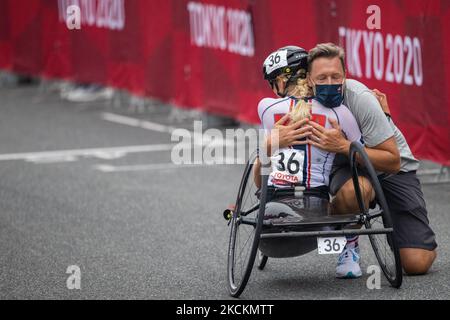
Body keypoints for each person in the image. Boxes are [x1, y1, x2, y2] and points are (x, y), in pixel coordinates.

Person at [302, 43, 437, 276]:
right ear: (309, 80)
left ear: (346, 76)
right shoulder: (301, 101)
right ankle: (348, 240)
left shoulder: (359, 97)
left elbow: (392, 160)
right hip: (347, 167)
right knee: (356, 191)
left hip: (391, 168)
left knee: (416, 264)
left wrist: (344, 146)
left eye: (336, 76)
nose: (330, 82)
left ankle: (412, 235)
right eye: (321, 77)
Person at [254, 46, 366, 278]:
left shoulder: (266, 107)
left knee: (260, 158)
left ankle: (261, 197)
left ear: (284, 80)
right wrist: (341, 145)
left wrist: (273, 141)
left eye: (274, 81)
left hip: (274, 203)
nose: (273, 88)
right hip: (320, 204)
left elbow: (265, 155)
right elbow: (361, 152)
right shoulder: (339, 112)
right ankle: (349, 245)